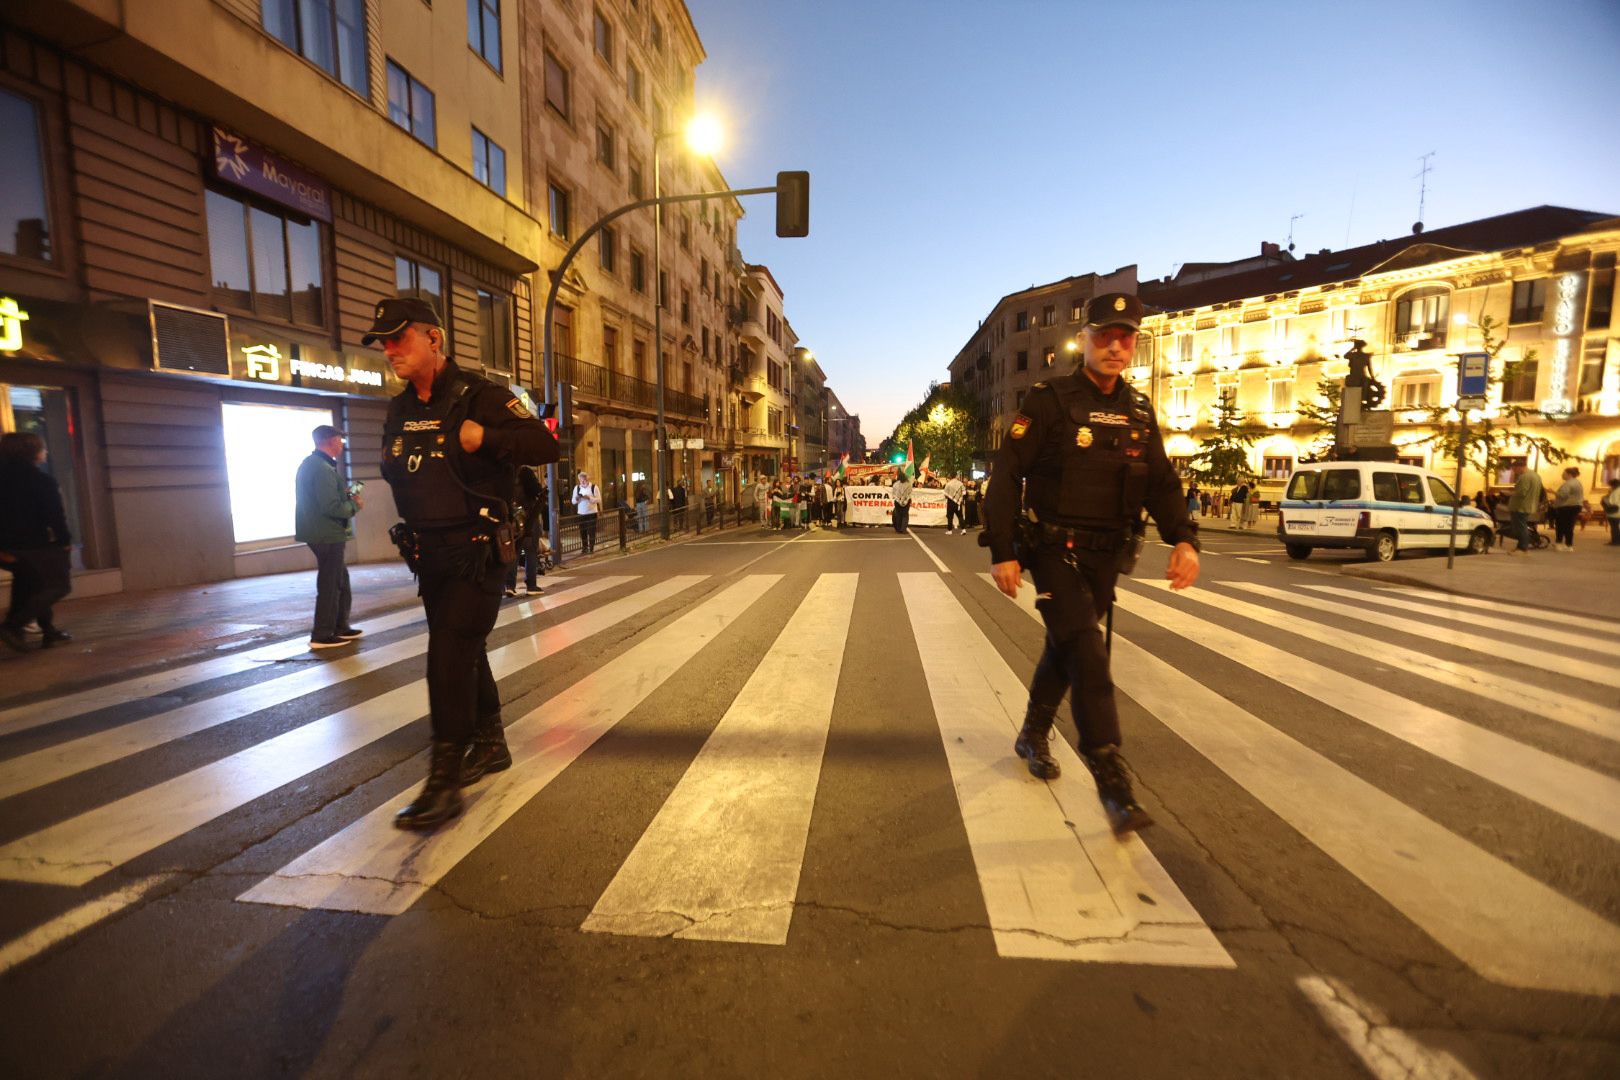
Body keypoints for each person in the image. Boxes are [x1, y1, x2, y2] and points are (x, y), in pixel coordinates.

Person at [985, 292, 1200, 836]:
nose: (1115, 346)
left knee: (1066, 648)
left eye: (1126, 336)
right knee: (1086, 649)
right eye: (1105, 334)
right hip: (1055, 549)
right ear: (1084, 339)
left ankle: (1033, 733)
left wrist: (1185, 539)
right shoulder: (1049, 400)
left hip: (1108, 556)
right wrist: (1004, 550)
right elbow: (1008, 473)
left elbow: (1161, 483)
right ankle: (1111, 776)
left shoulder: (1138, 410)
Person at [369, 295, 558, 830]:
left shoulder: (480, 396)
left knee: (447, 653)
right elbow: (394, 464)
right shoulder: (400, 407)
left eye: (398, 338)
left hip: (479, 551)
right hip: (429, 553)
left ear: (434, 339)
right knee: (465, 652)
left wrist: (488, 438)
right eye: (383, 342)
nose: (389, 350)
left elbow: (544, 447)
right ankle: (491, 744)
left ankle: (445, 779)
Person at [0, 432, 75, 652]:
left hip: (7, 547)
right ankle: (12, 626)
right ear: (31, 452)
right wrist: (64, 540)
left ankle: (47, 630)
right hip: (32, 545)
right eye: (42, 448)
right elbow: (54, 515)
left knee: (30, 583)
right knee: (58, 585)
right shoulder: (40, 480)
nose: (46, 452)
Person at [294, 424, 364, 648]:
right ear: (330, 441)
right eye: (340, 441)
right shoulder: (322, 469)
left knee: (340, 580)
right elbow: (330, 506)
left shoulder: (315, 465)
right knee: (330, 584)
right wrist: (354, 505)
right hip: (326, 532)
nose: (342, 445)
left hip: (321, 531)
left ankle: (340, 626)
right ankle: (322, 634)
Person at [1507, 463, 1543, 556]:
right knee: (1521, 526)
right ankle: (1520, 547)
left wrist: (1508, 493)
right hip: (1529, 505)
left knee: (1521, 527)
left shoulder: (1525, 477)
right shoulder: (1536, 476)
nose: (1514, 472)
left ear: (1519, 467)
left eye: (1514, 469)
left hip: (1520, 506)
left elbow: (1522, 492)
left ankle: (1523, 548)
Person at [1551, 466, 1583, 552]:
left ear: (1569, 474)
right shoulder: (1577, 482)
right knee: (1569, 526)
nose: (1562, 475)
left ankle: (1559, 543)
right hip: (1575, 506)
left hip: (1566, 507)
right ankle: (1568, 544)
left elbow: (1563, 495)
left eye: (1564, 473)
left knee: (1561, 525)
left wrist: (1553, 492)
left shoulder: (1568, 484)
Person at [572, 470, 600, 554]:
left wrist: (589, 498)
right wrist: (577, 499)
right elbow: (573, 501)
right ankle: (584, 548)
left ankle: (591, 548)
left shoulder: (594, 487)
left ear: (587, 479)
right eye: (580, 481)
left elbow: (599, 499)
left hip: (591, 513)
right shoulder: (577, 488)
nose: (582, 482)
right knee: (582, 531)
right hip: (581, 513)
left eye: (583, 480)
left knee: (591, 531)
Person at [1603, 481, 1620, 545]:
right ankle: (1617, 540)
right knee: (1616, 527)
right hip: (1618, 512)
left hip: (1614, 512)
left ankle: (1615, 541)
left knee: (1614, 528)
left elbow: (1612, 502)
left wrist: (1606, 498)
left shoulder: (1615, 492)